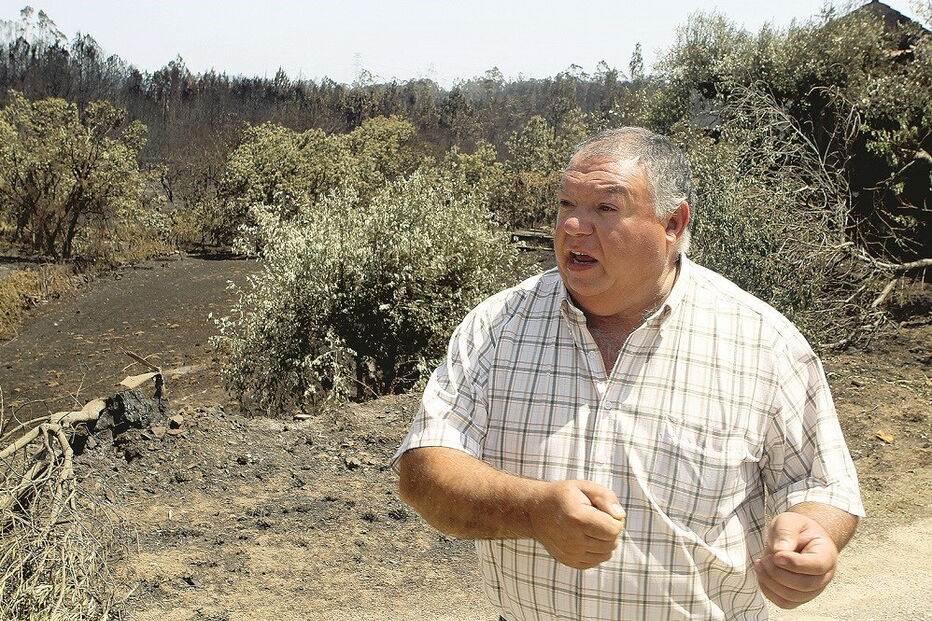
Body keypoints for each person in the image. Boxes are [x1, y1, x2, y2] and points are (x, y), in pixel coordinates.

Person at [392, 127, 864, 621]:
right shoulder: (497, 326)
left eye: (606, 208)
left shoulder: (763, 340)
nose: (574, 225)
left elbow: (821, 483)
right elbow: (424, 471)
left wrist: (812, 535)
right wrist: (533, 510)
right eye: (566, 203)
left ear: (672, 224)